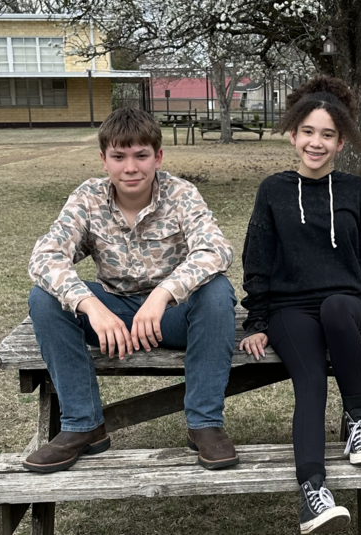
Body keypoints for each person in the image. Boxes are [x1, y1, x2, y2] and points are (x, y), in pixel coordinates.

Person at [24, 108, 239, 473]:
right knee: (42, 297)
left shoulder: (181, 194)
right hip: (113, 317)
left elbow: (216, 250)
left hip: (171, 317)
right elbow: (45, 257)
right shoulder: (88, 197)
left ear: (158, 157)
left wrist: (163, 294)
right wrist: (90, 305)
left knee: (218, 291)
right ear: (103, 159)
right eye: (119, 157)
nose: (130, 168)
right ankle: (82, 424)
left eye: (141, 156)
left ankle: (205, 423)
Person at [239, 77, 361, 534]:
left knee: (335, 309)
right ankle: (313, 493)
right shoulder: (273, 190)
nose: (316, 142)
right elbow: (257, 259)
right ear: (293, 134)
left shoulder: (355, 190)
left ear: (340, 142)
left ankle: (359, 423)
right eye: (308, 131)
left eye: (327, 134)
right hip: (289, 310)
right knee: (309, 382)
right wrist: (258, 321)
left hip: (343, 304)